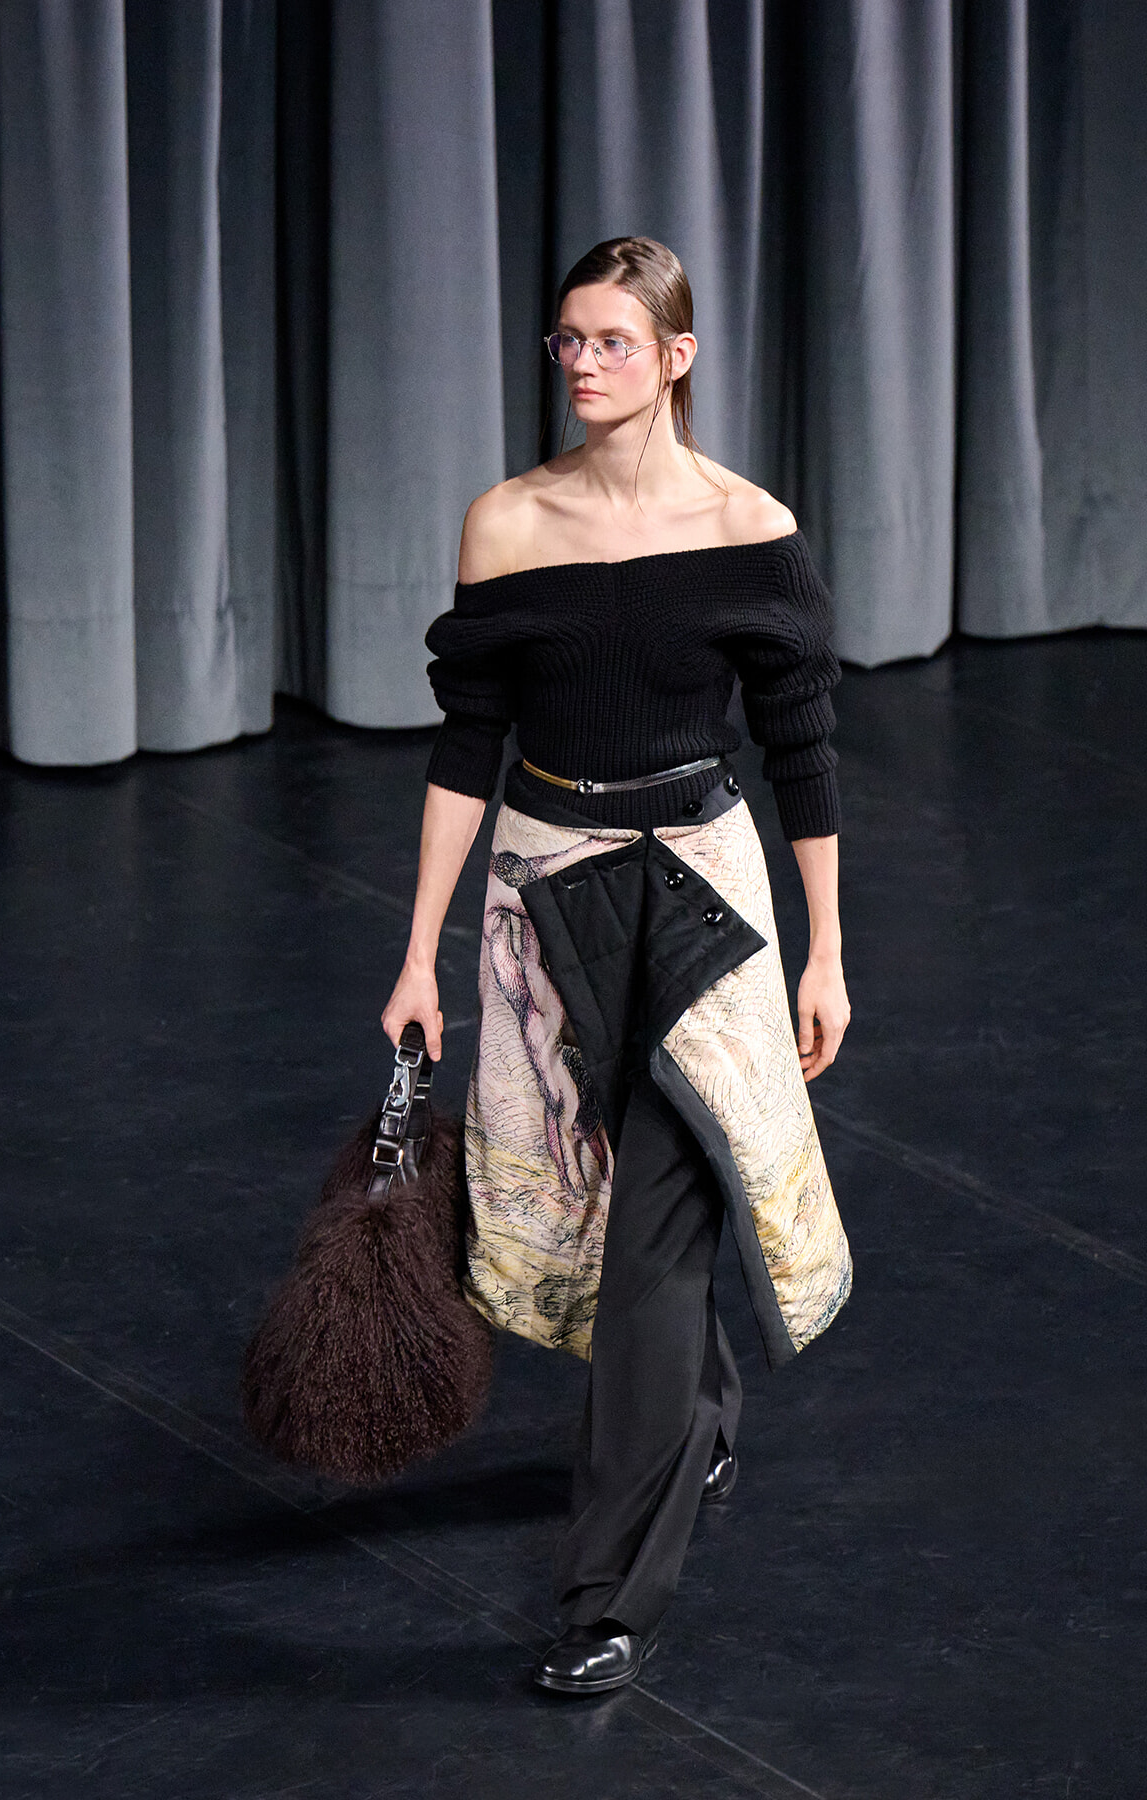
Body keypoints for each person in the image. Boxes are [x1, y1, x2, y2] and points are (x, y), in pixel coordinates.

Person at [381, 236, 852, 1696]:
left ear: (676, 355)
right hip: (546, 894)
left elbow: (801, 751)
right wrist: (417, 956)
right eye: (565, 343)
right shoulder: (507, 525)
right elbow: (468, 746)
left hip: (704, 899)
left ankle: (606, 1602)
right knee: (596, 1217)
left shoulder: (747, 526)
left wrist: (828, 947)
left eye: (609, 341)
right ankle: (699, 1412)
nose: (582, 364)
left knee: (656, 1230)